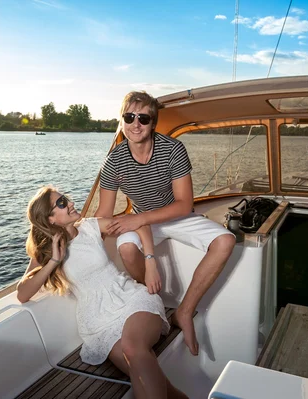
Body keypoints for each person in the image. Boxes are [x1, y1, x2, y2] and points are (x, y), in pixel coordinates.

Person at [96, 91, 236, 356]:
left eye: (143, 118)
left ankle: (184, 311)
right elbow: (103, 212)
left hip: (176, 216)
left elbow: (184, 203)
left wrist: (139, 217)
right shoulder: (114, 160)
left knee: (225, 240)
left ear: (153, 123)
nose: (135, 124)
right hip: (143, 224)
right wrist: (74, 239)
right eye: (129, 117)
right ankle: (154, 306)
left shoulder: (173, 149)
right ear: (122, 120)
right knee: (126, 249)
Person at [17, 186, 187, 399]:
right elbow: (23, 293)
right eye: (61, 203)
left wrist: (150, 261)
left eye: (66, 198)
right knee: (144, 372)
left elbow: (139, 223)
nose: (70, 203)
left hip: (131, 298)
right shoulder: (49, 249)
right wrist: (53, 262)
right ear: (50, 219)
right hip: (98, 320)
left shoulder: (90, 226)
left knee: (133, 349)